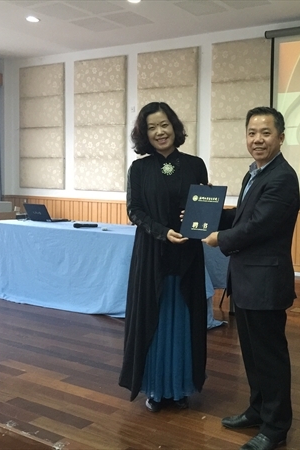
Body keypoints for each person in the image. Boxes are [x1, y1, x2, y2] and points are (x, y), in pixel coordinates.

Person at [203, 106, 300, 450]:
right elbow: (244, 216)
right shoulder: (254, 173)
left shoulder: (282, 177)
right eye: (252, 133)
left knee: (270, 357)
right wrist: (211, 212)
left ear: (280, 138)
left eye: (265, 133)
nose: (257, 139)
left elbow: (258, 227)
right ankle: (258, 410)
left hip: (265, 283)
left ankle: (276, 427)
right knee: (253, 355)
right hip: (246, 281)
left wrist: (219, 238)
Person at [119, 101, 208, 412]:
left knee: (183, 320)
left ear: (174, 127)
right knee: (153, 319)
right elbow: (134, 211)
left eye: (164, 124)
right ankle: (155, 389)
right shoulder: (139, 169)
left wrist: (202, 211)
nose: (160, 132)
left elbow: (204, 205)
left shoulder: (196, 164)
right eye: (152, 127)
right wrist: (162, 231)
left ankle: (180, 387)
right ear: (144, 134)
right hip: (152, 255)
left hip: (187, 256)